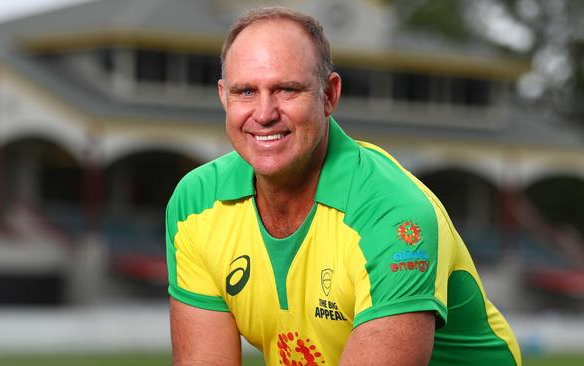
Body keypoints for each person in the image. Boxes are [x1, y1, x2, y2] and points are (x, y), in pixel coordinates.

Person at [166, 6, 521, 366]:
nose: (264, 113)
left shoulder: (393, 213)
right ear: (223, 97)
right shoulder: (195, 204)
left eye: (287, 89)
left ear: (329, 95)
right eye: (245, 92)